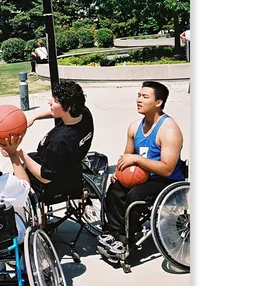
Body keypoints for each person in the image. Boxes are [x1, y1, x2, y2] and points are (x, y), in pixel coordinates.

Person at [98, 81, 185, 260]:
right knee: (114, 190)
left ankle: (126, 239)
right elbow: (127, 156)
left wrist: (137, 159)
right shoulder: (134, 127)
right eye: (138, 95)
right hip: (143, 177)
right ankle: (115, 235)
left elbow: (167, 169)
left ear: (158, 102)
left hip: (166, 182)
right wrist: (119, 172)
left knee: (135, 195)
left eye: (145, 97)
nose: (139, 100)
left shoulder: (169, 129)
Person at [20, 79, 94, 202]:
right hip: (73, 170)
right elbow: (58, 112)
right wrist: (35, 117)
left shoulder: (59, 142)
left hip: (53, 186)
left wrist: (18, 153)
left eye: (55, 101)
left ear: (68, 107)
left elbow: (45, 177)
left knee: (21, 169)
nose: (49, 102)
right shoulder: (84, 114)